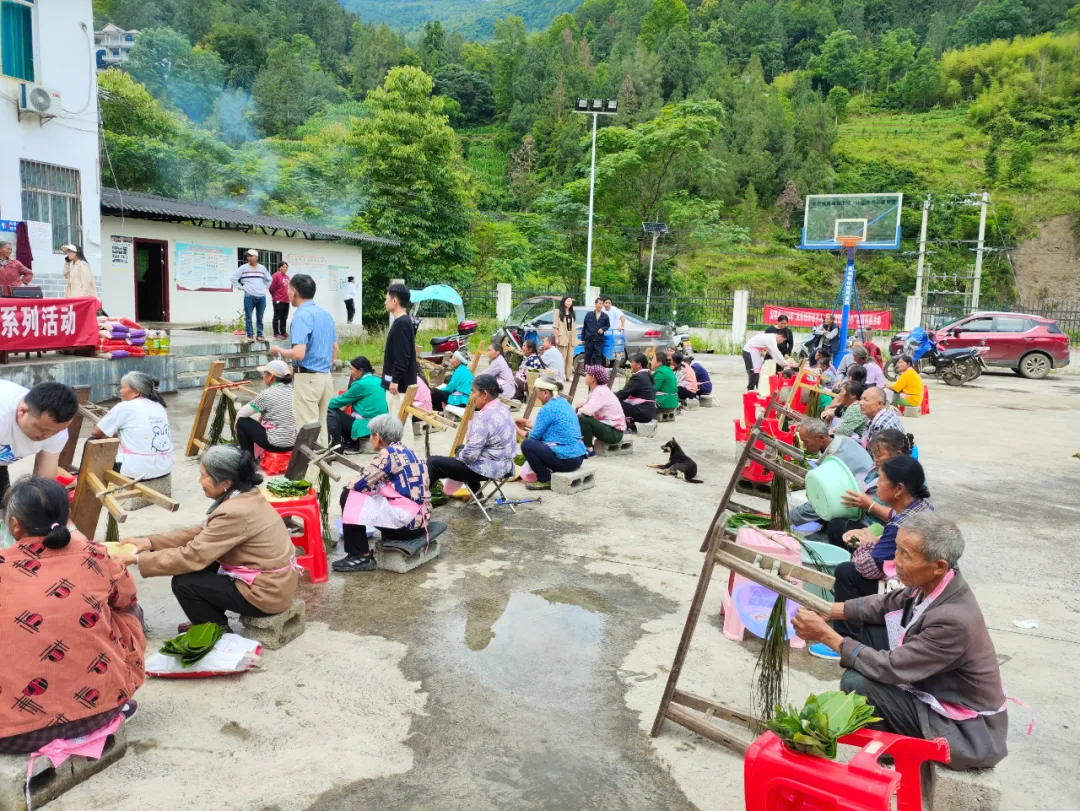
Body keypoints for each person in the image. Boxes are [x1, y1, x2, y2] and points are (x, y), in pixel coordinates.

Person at [792, 513, 1008, 772]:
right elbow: (886, 603)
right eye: (897, 550)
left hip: (965, 730)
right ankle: (891, 744)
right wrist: (828, 609)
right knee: (869, 635)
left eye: (906, 555)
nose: (896, 561)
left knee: (856, 681)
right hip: (933, 688)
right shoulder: (934, 582)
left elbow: (890, 668)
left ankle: (891, 758)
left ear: (938, 565)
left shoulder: (953, 620)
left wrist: (826, 635)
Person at [0, 478, 144, 754]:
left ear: (15, 525)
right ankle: (112, 692)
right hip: (97, 714)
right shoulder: (96, 556)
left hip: (11, 735)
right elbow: (127, 600)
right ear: (67, 519)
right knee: (128, 612)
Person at [117, 446, 298, 629]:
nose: (200, 481)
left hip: (267, 594)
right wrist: (149, 542)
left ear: (225, 483)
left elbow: (191, 556)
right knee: (206, 563)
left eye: (204, 476)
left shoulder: (234, 511)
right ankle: (206, 618)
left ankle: (216, 631)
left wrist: (136, 559)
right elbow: (202, 532)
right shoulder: (246, 495)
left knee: (184, 582)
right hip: (277, 584)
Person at [805, 455, 934, 661]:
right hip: (922, 582)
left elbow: (867, 567)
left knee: (847, 572)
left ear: (899, 489)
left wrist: (866, 542)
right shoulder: (922, 507)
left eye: (881, 480)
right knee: (842, 529)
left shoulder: (900, 526)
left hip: (908, 590)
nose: (876, 484)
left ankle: (844, 639)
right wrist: (875, 539)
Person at [333, 415, 431, 573]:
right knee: (370, 491)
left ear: (377, 437)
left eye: (371, 435)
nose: (370, 438)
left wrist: (353, 483)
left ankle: (360, 555)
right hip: (421, 521)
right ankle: (362, 551)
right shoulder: (410, 452)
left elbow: (359, 484)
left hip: (406, 526)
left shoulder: (388, 455)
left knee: (349, 494)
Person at [269, 273, 338, 452]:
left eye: (288, 289)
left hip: (308, 378)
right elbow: (335, 349)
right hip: (325, 376)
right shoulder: (325, 315)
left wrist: (279, 350)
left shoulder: (302, 316)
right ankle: (322, 476)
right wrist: (324, 367)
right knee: (320, 425)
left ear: (294, 292)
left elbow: (298, 354)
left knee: (307, 429)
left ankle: (311, 478)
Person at [427, 375, 516, 494]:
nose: (471, 396)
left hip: (491, 468)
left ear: (484, 394)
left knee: (433, 462)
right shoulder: (503, 408)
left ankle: (417, 501)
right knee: (460, 448)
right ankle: (477, 493)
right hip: (506, 465)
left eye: (473, 392)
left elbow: (469, 456)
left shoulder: (484, 417)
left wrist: (459, 455)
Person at [824, 429, 913, 547]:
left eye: (879, 455)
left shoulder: (906, 479)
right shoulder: (877, 469)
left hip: (886, 531)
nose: (875, 458)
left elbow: (902, 517)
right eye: (874, 454)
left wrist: (869, 505)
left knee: (836, 527)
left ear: (898, 454)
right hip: (867, 520)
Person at [787, 417, 874, 527]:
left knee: (832, 523)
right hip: (854, 496)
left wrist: (787, 517)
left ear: (820, 438)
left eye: (806, 442)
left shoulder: (838, 461)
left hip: (863, 511)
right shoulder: (842, 440)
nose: (804, 446)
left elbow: (823, 503)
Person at [0, 382, 78, 503]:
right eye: (42, 429)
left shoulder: (57, 430)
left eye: (56, 432)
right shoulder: (3, 415)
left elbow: (44, 478)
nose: (47, 436)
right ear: (22, 411)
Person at [91, 371, 173, 480]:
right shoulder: (159, 406)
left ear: (136, 392)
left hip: (136, 471)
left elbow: (96, 432)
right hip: (165, 468)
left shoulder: (125, 407)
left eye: (123, 387)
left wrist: (110, 434)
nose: (120, 391)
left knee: (91, 442)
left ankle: (86, 486)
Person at [515, 377, 587, 491]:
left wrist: (516, 429)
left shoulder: (547, 409)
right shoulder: (563, 403)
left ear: (545, 393)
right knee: (535, 442)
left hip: (567, 460)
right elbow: (551, 425)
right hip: (578, 457)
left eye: (536, 391)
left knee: (527, 445)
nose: (536, 395)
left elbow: (533, 437)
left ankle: (544, 479)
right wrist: (527, 423)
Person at [235, 359, 297, 457]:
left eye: (265, 373)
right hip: (295, 442)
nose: (263, 376)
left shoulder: (267, 394)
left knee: (242, 422)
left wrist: (236, 425)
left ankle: (248, 459)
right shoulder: (295, 391)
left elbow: (242, 413)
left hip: (275, 443)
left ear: (271, 376)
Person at [327, 356, 389, 451]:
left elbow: (335, 403)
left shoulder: (360, 384)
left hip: (366, 426)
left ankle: (345, 442)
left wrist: (321, 403)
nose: (350, 372)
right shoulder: (378, 380)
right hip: (381, 424)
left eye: (351, 369)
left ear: (360, 371)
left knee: (331, 411)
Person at [380, 283, 417, 423]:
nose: (385, 301)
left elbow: (402, 355)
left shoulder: (402, 323)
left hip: (399, 386)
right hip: (398, 384)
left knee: (399, 424)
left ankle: (404, 446)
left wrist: (395, 380)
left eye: (387, 298)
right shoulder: (403, 322)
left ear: (394, 301)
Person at [576, 365, 626, 453]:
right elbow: (586, 401)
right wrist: (579, 406)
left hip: (614, 433)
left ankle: (588, 449)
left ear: (593, 378)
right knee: (583, 417)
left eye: (588, 374)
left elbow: (587, 411)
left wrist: (576, 411)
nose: (586, 375)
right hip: (610, 428)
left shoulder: (599, 392)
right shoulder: (598, 389)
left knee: (582, 418)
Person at [231, 249, 271, 343]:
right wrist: (241, 287)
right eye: (248, 256)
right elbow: (233, 279)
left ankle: (260, 335)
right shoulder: (243, 268)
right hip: (249, 296)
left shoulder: (262, 268)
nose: (249, 257)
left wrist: (264, 288)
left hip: (261, 296)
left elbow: (269, 279)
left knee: (260, 317)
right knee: (248, 317)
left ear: (256, 257)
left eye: (251, 256)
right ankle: (250, 335)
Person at [617, 353, 657, 426]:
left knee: (615, 402)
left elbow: (623, 394)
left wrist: (612, 395)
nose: (630, 365)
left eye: (632, 362)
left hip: (642, 413)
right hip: (648, 412)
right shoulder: (647, 374)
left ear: (639, 364)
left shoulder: (638, 377)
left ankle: (620, 424)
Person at [553, 295, 577, 379]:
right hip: (562, 336)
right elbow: (555, 326)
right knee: (562, 357)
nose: (569, 303)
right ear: (563, 302)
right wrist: (556, 338)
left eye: (570, 301)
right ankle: (561, 375)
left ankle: (568, 375)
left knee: (570, 358)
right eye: (568, 301)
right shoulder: (558, 312)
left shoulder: (572, 312)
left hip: (571, 337)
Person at [581, 298, 610, 366]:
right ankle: (587, 372)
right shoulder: (589, 314)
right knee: (587, 356)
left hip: (598, 340)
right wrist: (583, 338)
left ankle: (597, 372)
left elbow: (607, 325)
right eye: (599, 303)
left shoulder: (605, 316)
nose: (601, 305)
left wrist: (603, 329)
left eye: (602, 304)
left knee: (598, 356)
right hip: (589, 339)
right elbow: (585, 326)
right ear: (596, 304)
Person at [268, 261, 290, 339]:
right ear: (280, 267)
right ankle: (276, 333)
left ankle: (283, 332)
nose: (285, 268)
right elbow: (271, 288)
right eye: (283, 267)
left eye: (286, 267)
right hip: (278, 299)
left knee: (284, 317)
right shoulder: (276, 276)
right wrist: (275, 296)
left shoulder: (287, 277)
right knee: (277, 317)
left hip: (286, 300)